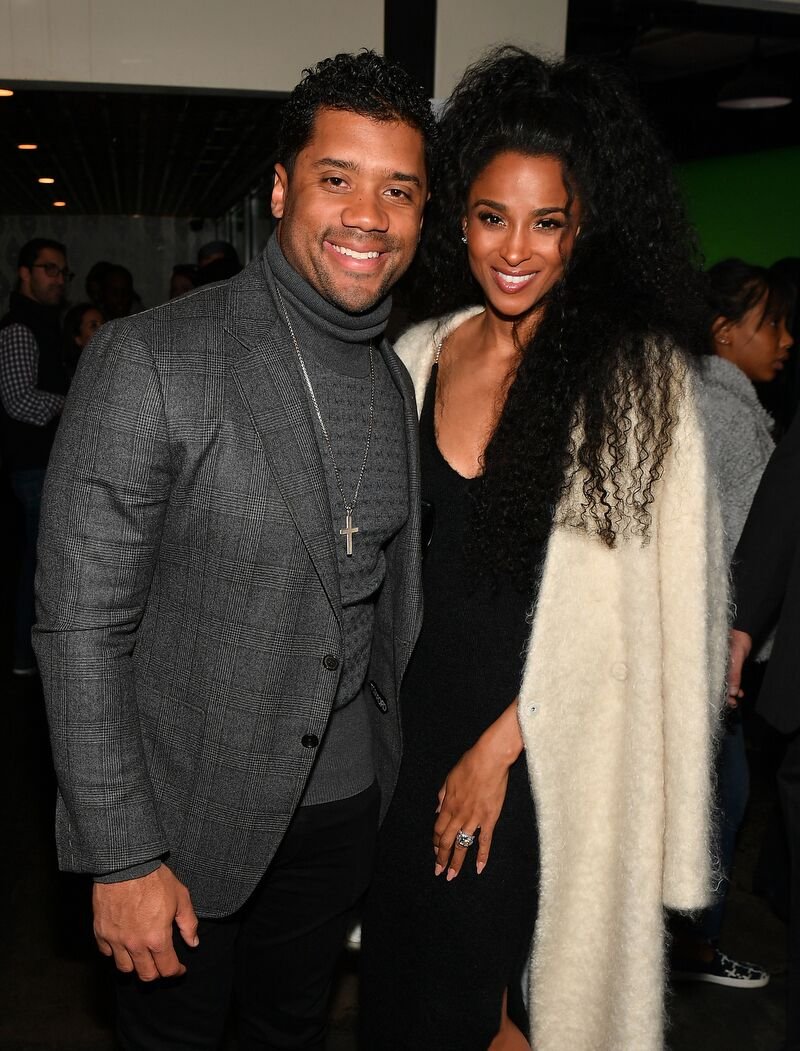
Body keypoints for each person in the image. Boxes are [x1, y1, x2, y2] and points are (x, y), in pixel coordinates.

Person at [33, 50, 433, 1050]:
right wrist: (121, 856)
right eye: (337, 179)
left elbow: (382, 606)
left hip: (340, 817)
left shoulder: (389, 378)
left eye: (399, 190)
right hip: (184, 826)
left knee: (289, 1033)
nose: (367, 216)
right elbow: (79, 627)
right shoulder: (151, 357)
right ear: (280, 189)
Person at [359, 47, 727, 1051]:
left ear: (584, 230)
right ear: (457, 218)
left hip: (543, 762)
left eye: (546, 221)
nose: (513, 248)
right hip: (410, 744)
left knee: (511, 1014)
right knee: (404, 1005)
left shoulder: (636, 387)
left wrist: (499, 745)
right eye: (490, 216)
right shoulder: (416, 353)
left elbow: (648, 632)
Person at [671, 258, 793, 987]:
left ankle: (691, 945)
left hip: (713, 650)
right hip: (709, 653)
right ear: (723, 333)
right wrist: (722, 652)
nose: (785, 338)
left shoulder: (726, 400)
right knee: (719, 801)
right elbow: (713, 546)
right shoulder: (720, 410)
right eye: (770, 323)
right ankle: (693, 949)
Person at [0, 237, 70, 675]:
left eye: (63, 271)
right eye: (49, 269)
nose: (58, 279)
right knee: (39, 563)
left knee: (41, 561)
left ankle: (28, 655)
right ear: (25, 273)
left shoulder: (42, 323)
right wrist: (69, 403)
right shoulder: (19, 328)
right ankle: (25, 656)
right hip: (31, 464)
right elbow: (17, 400)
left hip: (39, 462)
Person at [61, 301, 105, 379]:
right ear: (78, 339)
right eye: (94, 326)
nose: (103, 330)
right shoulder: (73, 377)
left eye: (104, 324)